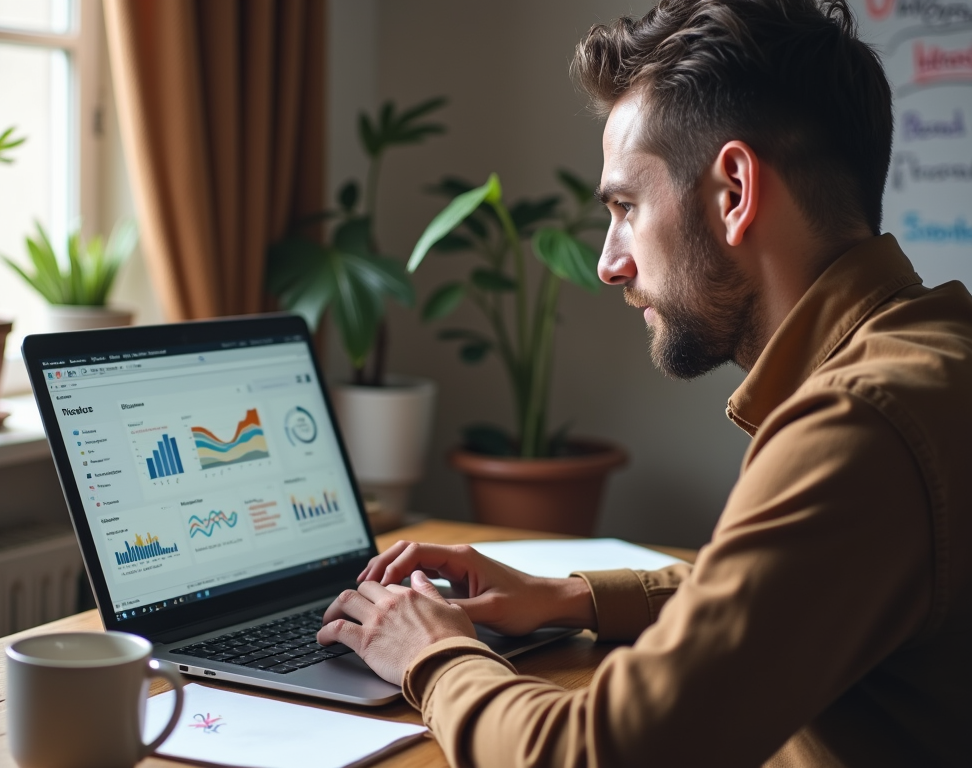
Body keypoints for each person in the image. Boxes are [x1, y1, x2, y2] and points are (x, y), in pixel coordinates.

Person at [317, 0, 972, 764]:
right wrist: (574, 597)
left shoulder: (861, 426)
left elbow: (606, 752)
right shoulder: (931, 356)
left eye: (626, 205)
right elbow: (775, 593)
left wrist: (429, 653)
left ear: (734, 191)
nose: (607, 261)